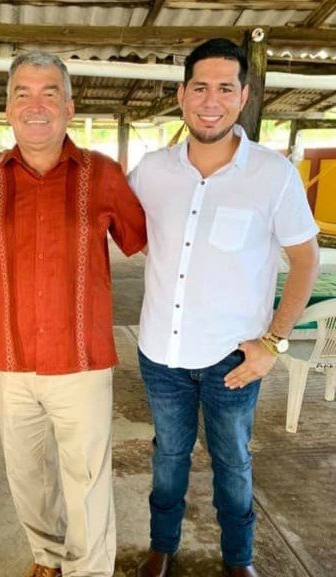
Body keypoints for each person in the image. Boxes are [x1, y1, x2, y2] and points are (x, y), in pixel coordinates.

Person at [128, 38, 319, 577]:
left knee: (232, 461)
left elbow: (306, 260)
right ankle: (162, 547)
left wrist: (273, 343)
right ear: (182, 95)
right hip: (161, 354)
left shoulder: (272, 174)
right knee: (168, 457)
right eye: (200, 87)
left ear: (243, 97)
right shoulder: (151, 171)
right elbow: (123, 232)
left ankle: (239, 559)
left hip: (234, 359)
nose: (211, 101)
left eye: (225, 88)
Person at [0, 51, 147, 577]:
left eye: (49, 93)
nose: (35, 105)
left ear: (69, 106)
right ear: (8, 108)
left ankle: (89, 571)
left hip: (82, 362)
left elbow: (145, 244)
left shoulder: (102, 175)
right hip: (13, 362)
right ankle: (47, 556)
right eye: (23, 93)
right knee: (27, 477)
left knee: (87, 481)